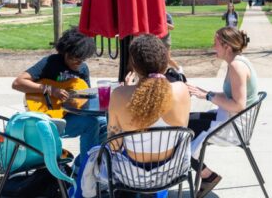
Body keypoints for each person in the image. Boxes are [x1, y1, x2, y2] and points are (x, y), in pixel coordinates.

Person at [77, 34, 191, 197]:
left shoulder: (119, 95)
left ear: (134, 65)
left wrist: (128, 89)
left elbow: (115, 146)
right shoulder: (182, 90)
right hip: (172, 173)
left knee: (90, 158)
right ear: (165, 62)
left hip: (131, 177)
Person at [12, 27, 106, 164]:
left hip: (70, 116)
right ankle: (86, 168)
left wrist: (80, 101)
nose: (77, 63)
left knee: (106, 123)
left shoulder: (83, 69)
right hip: (48, 121)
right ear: (65, 52)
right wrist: (50, 89)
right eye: (73, 59)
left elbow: (86, 100)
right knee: (92, 124)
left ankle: (82, 164)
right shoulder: (50, 63)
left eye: (81, 60)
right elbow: (17, 83)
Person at [186, 27, 258, 198]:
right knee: (185, 122)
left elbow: (238, 105)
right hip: (228, 118)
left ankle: (207, 176)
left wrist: (208, 96)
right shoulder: (237, 61)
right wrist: (203, 93)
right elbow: (229, 96)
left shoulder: (236, 66)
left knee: (180, 134)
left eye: (216, 43)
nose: (213, 46)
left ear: (226, 46)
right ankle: (206, 175)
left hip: (233, 127)